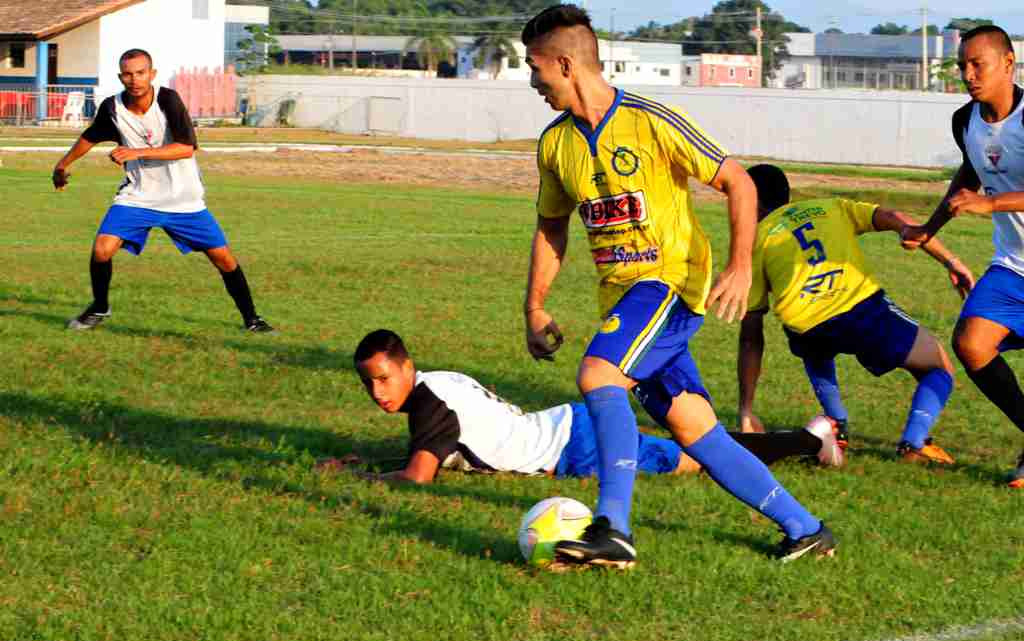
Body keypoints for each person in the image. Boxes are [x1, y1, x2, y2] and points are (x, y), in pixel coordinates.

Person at [519, 4, 833, 569]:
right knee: (697, 430)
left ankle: (613, 528)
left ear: (565, 64)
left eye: (535, 67)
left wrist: (739, 266)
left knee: (597, 373)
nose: (532, 81)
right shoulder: (554, 145)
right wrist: (534, 307)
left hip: (669, 284)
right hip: (623, 300)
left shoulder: (650, 120)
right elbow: (551, 226)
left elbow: (736, 181)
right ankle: (805, 528)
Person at [345, 329, 841, 484]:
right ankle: (806, 439)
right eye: (369, 385)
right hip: (568, 429)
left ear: (407, 367)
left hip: (573, 446)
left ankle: (809, 440)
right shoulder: (435, 386)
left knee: (701, 458)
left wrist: (360, 476)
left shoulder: (430, 402)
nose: (378, 392)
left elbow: (418, 478)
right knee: (700, 450)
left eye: (384, 379)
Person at [740, 165, 974, 464]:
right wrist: (950, 260)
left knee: (814, 348)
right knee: (939, 367)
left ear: (752, 202)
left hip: (805, 326)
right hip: (859, 311)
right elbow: (896, 218)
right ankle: (914, 443)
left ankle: (836, 428)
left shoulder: (754, 242)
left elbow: (750, 337)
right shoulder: (830, 207)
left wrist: (746, 409)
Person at [51, 48, 273, 333]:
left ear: (152, 74)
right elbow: (90, 137)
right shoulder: (112, 108)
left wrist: (136, 152)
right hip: (138, 197)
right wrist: (62, 165)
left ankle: (252, 319)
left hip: (183, 198)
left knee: (224, 259)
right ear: (121, 77)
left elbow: (186, 148)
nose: (134, 79)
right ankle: (99, 307)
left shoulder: (168, 99)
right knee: (102, 249)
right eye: (128, 74)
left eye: (141, 73)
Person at [903, 25, 1024, 486]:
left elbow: (984, 195)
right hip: (1013, 265)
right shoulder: (964, 121)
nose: (968, 74)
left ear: (1008, 65)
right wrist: (928, 228)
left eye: (979, 64)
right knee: (972, 344)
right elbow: (969, 175)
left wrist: (992, 204)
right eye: (962, 66)